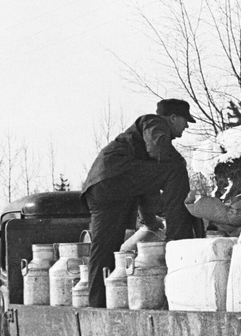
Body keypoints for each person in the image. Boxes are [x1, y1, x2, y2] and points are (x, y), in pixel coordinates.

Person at [81, 98, 196, 307]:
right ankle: (179, 240)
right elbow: (158, 152)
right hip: (115, 177)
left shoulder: (138, 149)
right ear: (172, 118)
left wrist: (150, 221)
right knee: (176, 167)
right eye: (184, 121)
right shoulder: (153, 122)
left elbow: (144, 185)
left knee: (105, 247)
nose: (186, 126)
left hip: (99, 188)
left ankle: (96, 304)